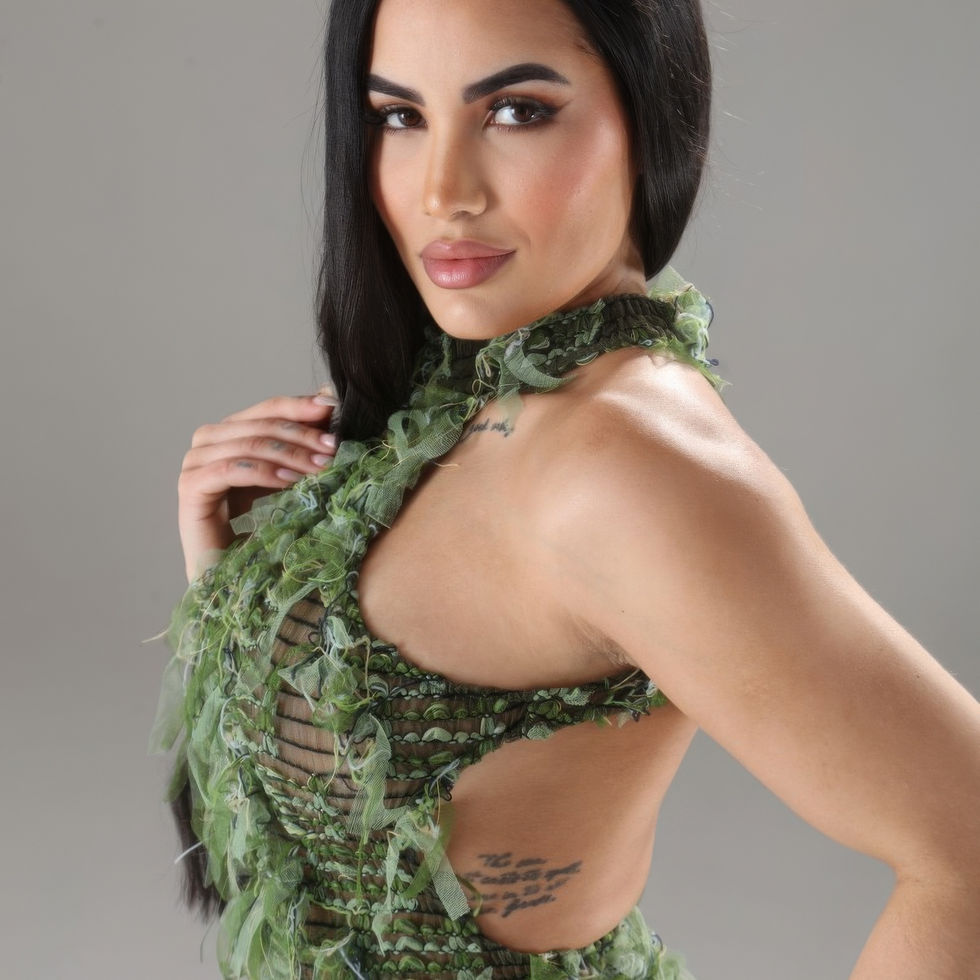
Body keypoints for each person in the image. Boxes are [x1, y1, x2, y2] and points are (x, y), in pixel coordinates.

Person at [152, 0, 980, 977]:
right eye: (400, 116)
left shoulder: (624, 465)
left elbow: (963, 845)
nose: (442, 193)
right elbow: (303, 860)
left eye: (516, 112)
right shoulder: (473, 387)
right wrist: (234, 587)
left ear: (653, 115)